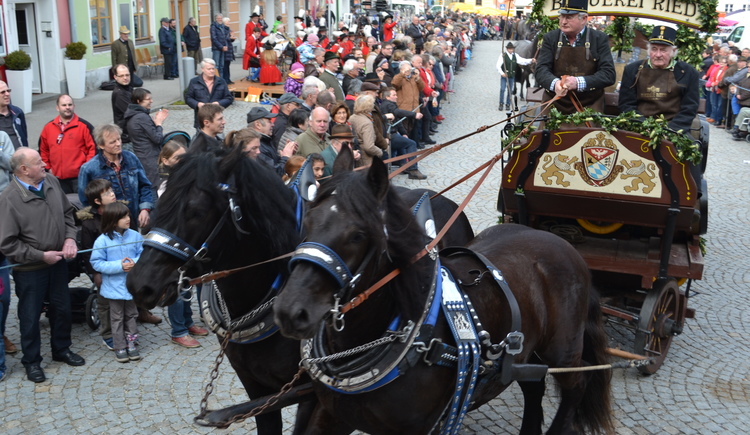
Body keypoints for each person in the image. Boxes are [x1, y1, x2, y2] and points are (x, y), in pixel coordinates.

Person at [0, 148, 86, 383]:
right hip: (29, 270)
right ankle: (32, 361)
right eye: (38, 163)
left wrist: (69, 238)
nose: (44, 165)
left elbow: (69, 214)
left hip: (57, 262)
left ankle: (61, 349)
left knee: (62, 307)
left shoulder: (50, 181)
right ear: (24, 170)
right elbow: (7, 244)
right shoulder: (8, 199)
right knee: (29, 315)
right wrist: (40, 255)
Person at [534, 0, 615, 114]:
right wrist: (555, 84)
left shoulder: (598, 38)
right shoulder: (550, 38)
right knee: (545, 132)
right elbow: (540, 70)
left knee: (589, 132)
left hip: (589, 105)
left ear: (584, 19)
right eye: (561, 16)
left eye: (569, 17)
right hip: (555, 103)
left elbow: (608, 74)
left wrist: (578, 82)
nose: (563, 22)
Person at [619, 26, 700, 134]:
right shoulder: (632, 70)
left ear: (673, 51)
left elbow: (689, 108)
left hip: (673, 129)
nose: (658, 55)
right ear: (648, 50)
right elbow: (626, 104)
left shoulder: (688, 72)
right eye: (654, 49)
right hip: (638, 126)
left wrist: (671, 130)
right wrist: (642, 126)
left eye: (663, 50)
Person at [90, 202, 143, 363]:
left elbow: (144, 254)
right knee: (117, 317)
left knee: (132, 315)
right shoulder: (102, 240)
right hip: (114, 287)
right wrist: (119, 266)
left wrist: (134, 263)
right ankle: (119, 345)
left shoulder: (135, 236)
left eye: (128, 215)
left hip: (131, 286)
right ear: (113, 220)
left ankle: (131, 343)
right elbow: (97, 263)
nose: (128, 219)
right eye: (123, 217)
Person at [78, 124, 154, 230]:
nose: (118, 144)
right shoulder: (89, 169)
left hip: (132, 219)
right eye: (112, 142)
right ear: (101, 145)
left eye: (119, 139)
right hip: (108, 224)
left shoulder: (131, 158)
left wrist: (145, 209)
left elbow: (145, 185)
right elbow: (85, 200)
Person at [77, 179, 118, 350]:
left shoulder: (120, 212)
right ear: (97, 201)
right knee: (105, 302)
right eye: (107, 192)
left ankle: (125, 330)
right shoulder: (89, 223)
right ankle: (108, 333)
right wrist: (96, 273)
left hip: (123, 264)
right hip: (103, 268)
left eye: (111, 190)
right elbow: (88, 252)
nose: (112, 193)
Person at [38, 94, 96, 193]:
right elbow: (43, 150)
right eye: (64, 105)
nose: (67, 107)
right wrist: (48, 168)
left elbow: (93, 150)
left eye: (70, 104)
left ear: (74, 106)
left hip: (79, 178)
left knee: (83, 205)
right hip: (57, 179)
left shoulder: (84, 126)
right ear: (57, 107)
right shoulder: (48, 128)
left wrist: (85, 169)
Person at [124, 88, 169, 188]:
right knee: (153, 189)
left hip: (143, 156)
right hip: (150, 158)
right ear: (138, 101)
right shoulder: (141, 117)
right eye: (148, 99)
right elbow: (157, 139)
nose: (151, 101)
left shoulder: (134, 115)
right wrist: (159, 124)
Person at [380, 87, 426, 179]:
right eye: (394, 95)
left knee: (403, 140)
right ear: (387, 97)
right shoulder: (388, 105)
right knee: (411, 144)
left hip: (392, 133)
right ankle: (413, 170)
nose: (396, 97)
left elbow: (398, 121)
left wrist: (404, 133)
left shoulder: (389, 104)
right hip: (388, 135)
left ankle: (403, 164)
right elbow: (398, 113)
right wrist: (414, 115)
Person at [247, 106, 297, 176]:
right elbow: (274, 174)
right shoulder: (257, 147)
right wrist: (286, 157)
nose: (273, 124)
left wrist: (284, 156)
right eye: (269, 121)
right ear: (258, 125)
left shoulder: (265, 140)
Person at [185, 59, 234, 129]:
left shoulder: (221, 81)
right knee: (201, 139)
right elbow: (188, 98)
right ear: (202, 69)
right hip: (201, 120)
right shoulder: (194, 82)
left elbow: (229, 98)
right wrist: (197, 104)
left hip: (217, 120)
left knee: (219, 139)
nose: (211, 71)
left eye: (213, 69)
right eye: (209, 69)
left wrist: (219, 103)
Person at [349, 95, 388, 167]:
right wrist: (380, 152)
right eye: (372, 104)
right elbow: (369, 147)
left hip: (357, 156)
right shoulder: (367, 123)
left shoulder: (351, 118)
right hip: (366, 160)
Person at [496, 42, 533, 111]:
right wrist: (502, 73)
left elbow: (522, 61)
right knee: (502, 89)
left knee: (509, 90)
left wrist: (531, 60)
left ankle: (508, 104)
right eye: (509, 49)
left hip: (511, 76)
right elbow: (498, 65)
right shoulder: (503, 55)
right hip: (505, 76)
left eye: (512, 49)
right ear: (507, 49)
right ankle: (501, 103)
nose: (510, 50)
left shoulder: (515, 56)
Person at [0, 80, 29, 150]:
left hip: (19, 157)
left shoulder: (17, 112)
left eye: (8, 91)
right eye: (3, 92)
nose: (7, 94)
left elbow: (24, 136)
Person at [111, 64, 134, 148]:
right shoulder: (119, 93)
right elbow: (132, 112)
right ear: (115, 77)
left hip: (131, 134)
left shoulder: (128, 88)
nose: (125, 78)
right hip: (126, 136)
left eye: (127, 75)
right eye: (121, 76)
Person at [222, 17, 236, 84]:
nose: (229, 23)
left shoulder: (228, 30)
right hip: (225, 50)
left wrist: (232, 38)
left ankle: (228, 79)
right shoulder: (223, 29)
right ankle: (225, 79)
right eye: (228, 22)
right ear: (224, 23)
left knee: (227, 65)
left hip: (229, 49)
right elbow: (224, 38)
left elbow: (230, 39)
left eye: (229, 22)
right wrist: (230, 37)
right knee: (225, 66)